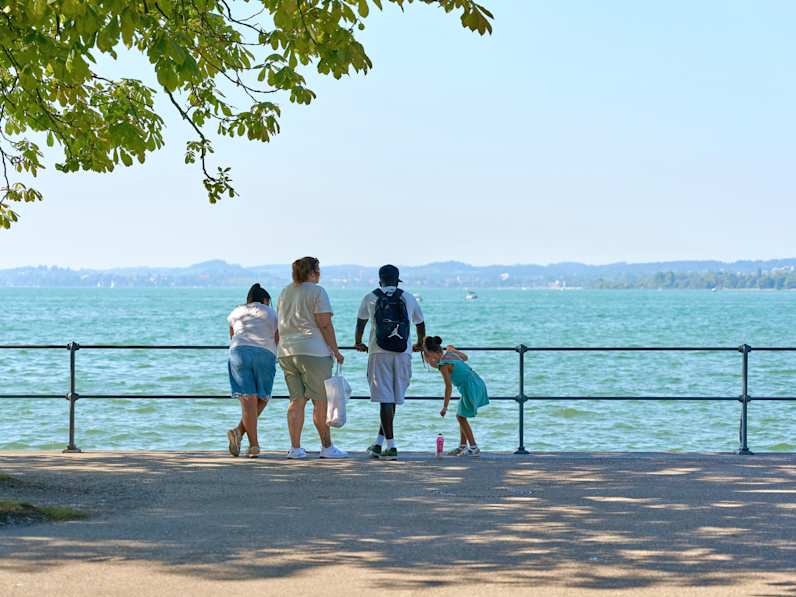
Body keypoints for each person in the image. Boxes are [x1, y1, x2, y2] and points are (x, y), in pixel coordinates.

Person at [277, 257, 347, 459]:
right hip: (314, 352)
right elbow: (324, 324)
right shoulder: (318, 291)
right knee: (320, 401)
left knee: (296, 400)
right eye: (318, 269)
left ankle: (296, 448)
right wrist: (336, 350)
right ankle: (327, 447)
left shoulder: (285, 292)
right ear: (313, 271)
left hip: (287, 351)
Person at [355, 264, 425, 460]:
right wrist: (419, 343)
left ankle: (391, 446)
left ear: (380, 280)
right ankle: (378, 444)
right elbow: (420, 323)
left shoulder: (370, 297)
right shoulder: (408, 297)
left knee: (385, 398)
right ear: (397, 280)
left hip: (379, 352)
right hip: (403, 353)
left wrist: (358, 342)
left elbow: (361, 322)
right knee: (391, 398)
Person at [226, 283, 279, 458]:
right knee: (262, 398)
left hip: (239, 352)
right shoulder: (271, 312)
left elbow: (232, 334)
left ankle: (239, 433)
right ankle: (253, 445)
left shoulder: (237, 311)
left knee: (248, 399)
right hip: (265, 353)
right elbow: (278, 337)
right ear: (265, 300)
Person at [422, 336, 489, 456]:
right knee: (461, 415)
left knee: (461, 417)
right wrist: (453, 350)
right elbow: (465, 358)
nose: (427, 360)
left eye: (427, 356)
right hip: (476, 381)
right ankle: (463, 446)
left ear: (432, 354)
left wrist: (445, 407)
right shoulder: (450, 355)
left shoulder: (443, 365)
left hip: (469, 386)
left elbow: (448, 387)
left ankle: (473, 447)